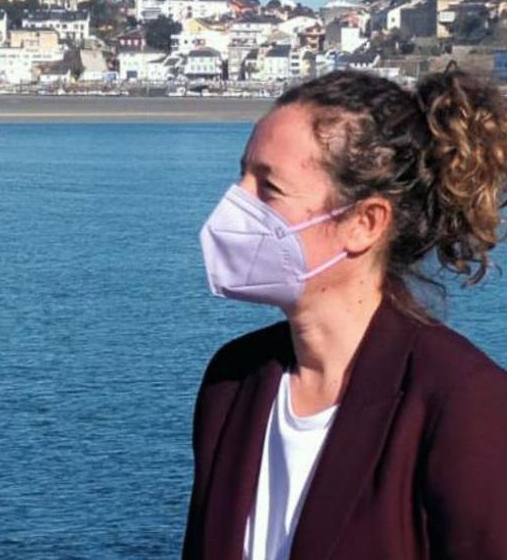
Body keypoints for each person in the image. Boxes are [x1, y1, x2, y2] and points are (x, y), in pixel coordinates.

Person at [183, 68, 507, 559]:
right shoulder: (232, 382)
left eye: (268, 189)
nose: (235, 206)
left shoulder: (463, 402)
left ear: (365, 223)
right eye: (242, 175)